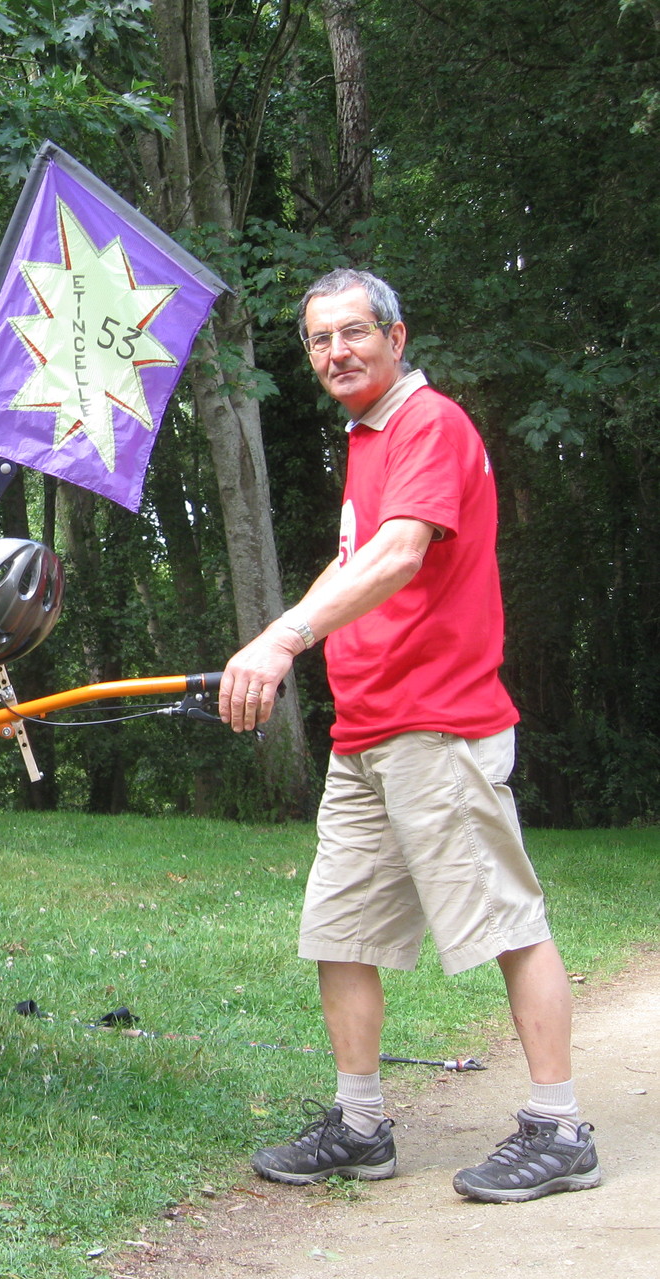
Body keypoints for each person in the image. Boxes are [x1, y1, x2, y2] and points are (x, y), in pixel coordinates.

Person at [220, 268, 600, 1204]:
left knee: (507, 923)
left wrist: (281, 638)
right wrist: (297, 636)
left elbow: (399, 553)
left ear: (396, 335)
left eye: (354, 332)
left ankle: (560, 1128)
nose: (336, 351)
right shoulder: (368, 439)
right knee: (341, 929)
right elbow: (359, 558)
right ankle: (361, 1125)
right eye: (319, 340)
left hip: (440, 724)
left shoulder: (429, 424)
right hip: (367, 730)